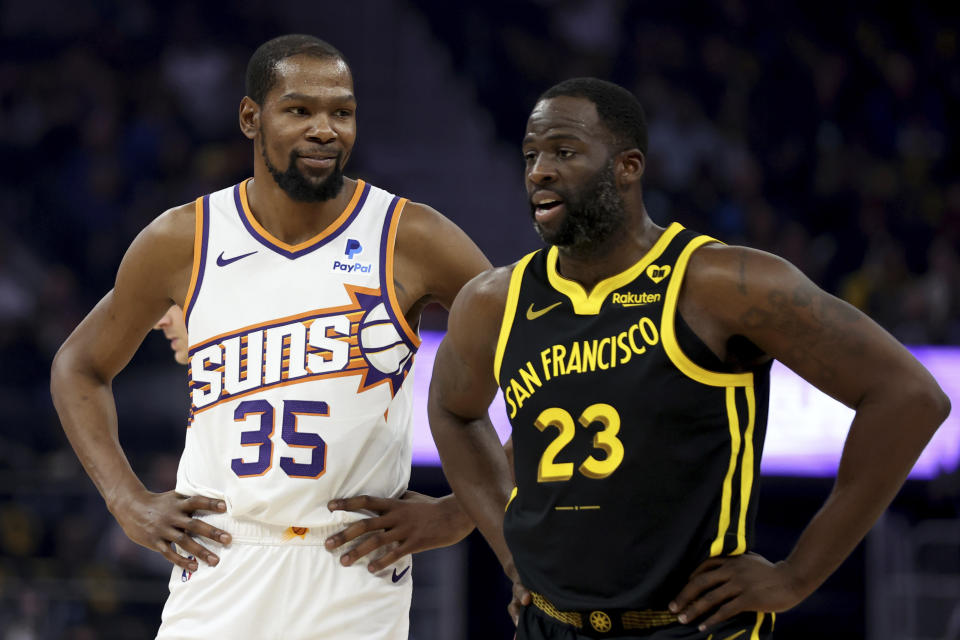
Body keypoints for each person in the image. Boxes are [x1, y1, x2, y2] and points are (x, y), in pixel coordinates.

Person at [428, 77, 951, 640]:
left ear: (628, 166)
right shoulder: (493, 301)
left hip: (690, 628)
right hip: (547, 624)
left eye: (564, 151)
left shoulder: (722, 283)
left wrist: (796, 576)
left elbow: (910, 397)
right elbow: (454, 412)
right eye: (531, 155)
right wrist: (509, 551)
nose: (539, 171)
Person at [51, 34, 489, 639]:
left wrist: (461, 513)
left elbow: (544, 366)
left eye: (342, 111)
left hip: (353, 565)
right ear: (250, 118)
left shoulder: (412, 236)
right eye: (300, 110)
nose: (325, 130)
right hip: (221, 559)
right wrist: (125, 499)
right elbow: (78, 365)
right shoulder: (183, 239)